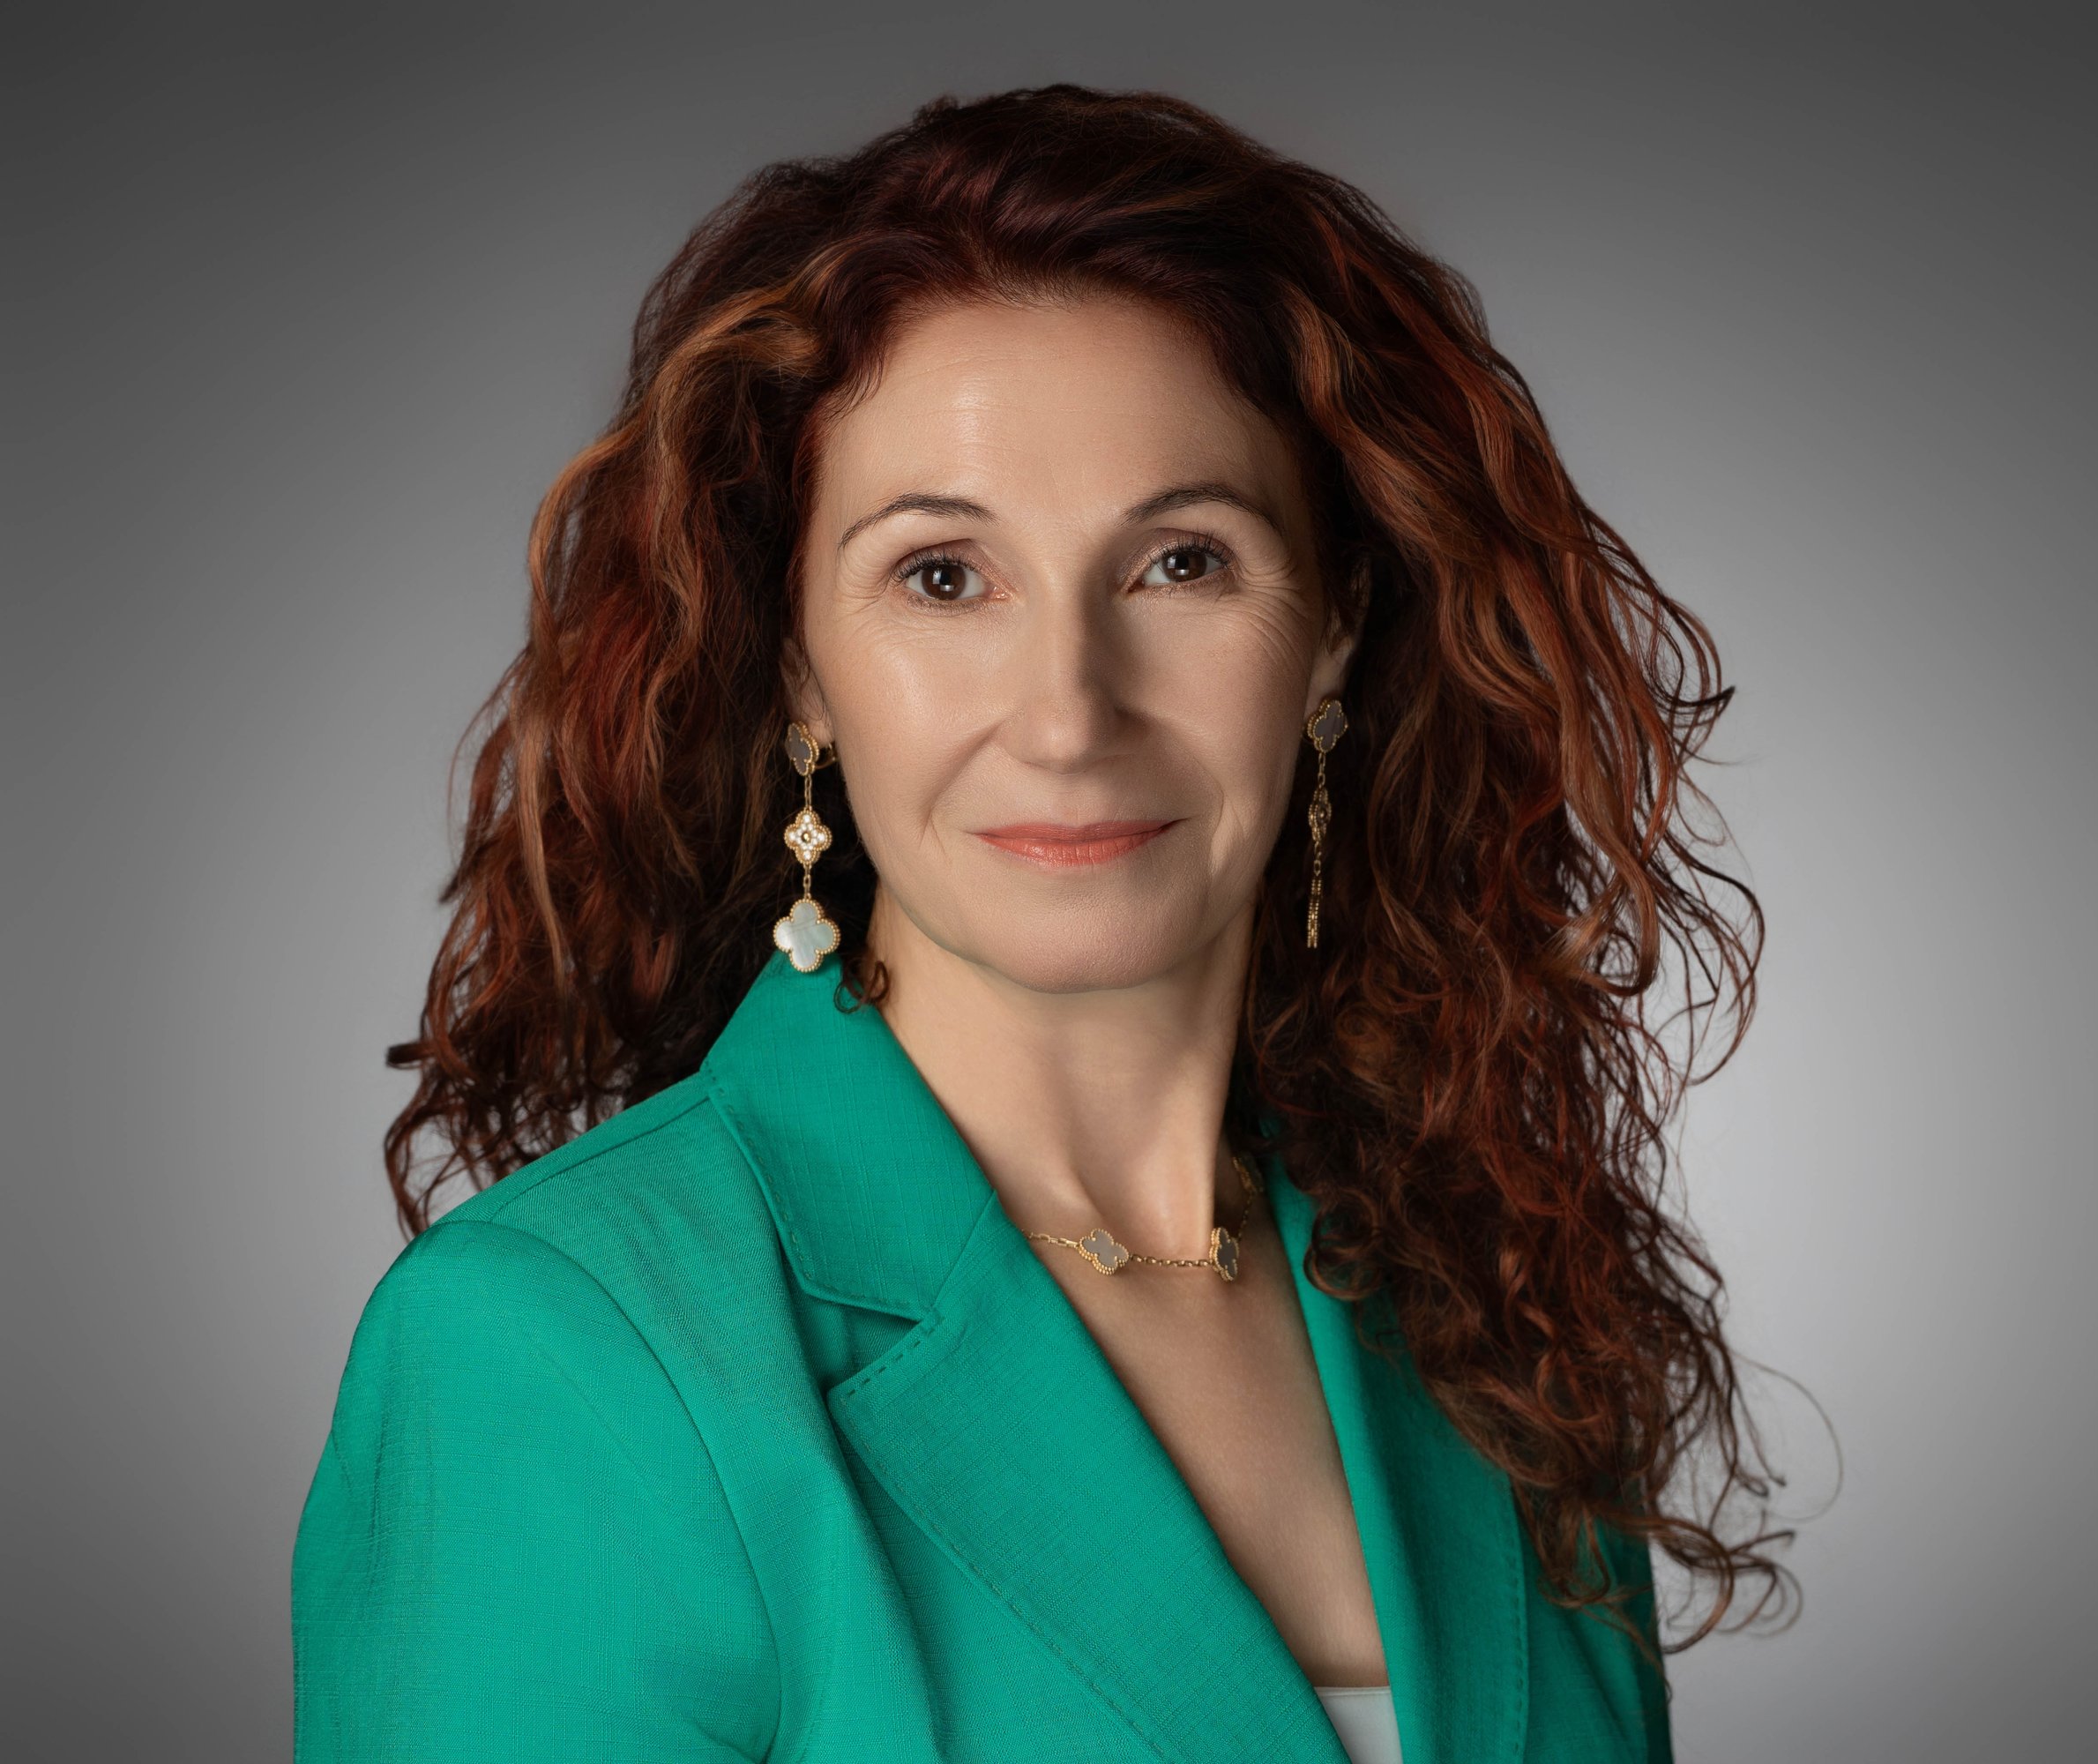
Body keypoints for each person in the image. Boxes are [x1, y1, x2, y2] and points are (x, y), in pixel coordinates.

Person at [292, 83, 1789, 1764]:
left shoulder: (1496, 1324)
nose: (1070, 714)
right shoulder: (556, 1349)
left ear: (1339, 635)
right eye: (944, 576)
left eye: (1183, 565)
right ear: (798, 662)